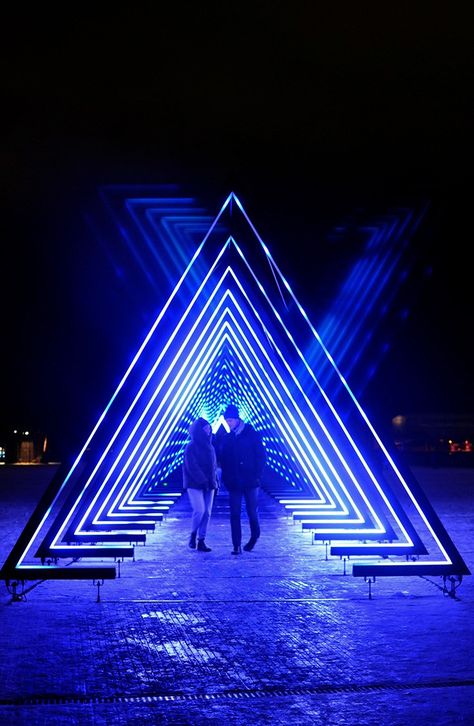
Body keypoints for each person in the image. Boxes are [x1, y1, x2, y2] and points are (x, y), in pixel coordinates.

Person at [219, 404, 266, 555]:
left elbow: (261, 456)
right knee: (234, 513)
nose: (228, 423)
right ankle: (236, 545)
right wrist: (226, 478)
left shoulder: (252, 434)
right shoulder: (227, 438)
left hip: (250, 481)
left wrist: (257, 475)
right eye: (227, 421)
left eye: (230, 420)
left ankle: (254, 536)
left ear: (238, 419)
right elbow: (223, 459)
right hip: (234, 482)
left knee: (251, 511)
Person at [182, 417, 219, 552]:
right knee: (200, 510)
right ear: (199, 430)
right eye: (206, 428)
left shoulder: (210, 446)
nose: (209, 430)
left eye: (209, 428)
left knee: (207, 513)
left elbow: (213, 465)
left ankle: (201, 540)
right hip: (195, 484)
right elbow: (191, 466)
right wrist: (204, 480)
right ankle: (193, 534)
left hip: (209, 484)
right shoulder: (191, 446)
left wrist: (214, 481)